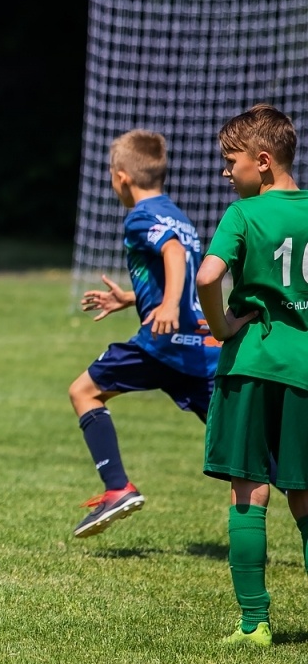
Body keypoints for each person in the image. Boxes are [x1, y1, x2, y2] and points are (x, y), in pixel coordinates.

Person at [194, 104, 308, 647]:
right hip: (304, 370)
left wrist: (222, 325)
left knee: (249, 490)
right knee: (304, 494)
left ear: (262, 162)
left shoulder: (243, 215)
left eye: (229, 161)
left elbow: (208, 275)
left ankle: (254, 622)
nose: (225, 172)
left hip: (252, 364)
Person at [70, 131, 218, 537]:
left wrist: (166, 306)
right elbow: (185, 269)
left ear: (122, 178)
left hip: (160, 344)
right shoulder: (179, 217)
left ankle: (117, 487)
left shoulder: (139, 216)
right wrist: (136, 298)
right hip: (194, 351)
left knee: (83, 392)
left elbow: (171, 254)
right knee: (240, 445)